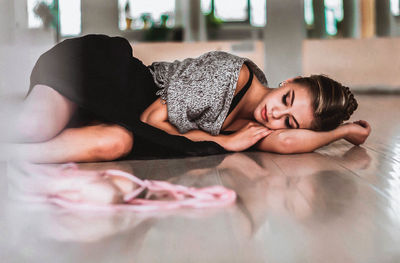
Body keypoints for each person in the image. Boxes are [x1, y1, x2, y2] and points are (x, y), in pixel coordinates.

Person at [4, 34, 370, 163]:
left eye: (288, 119)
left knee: (114, 142)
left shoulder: (259, 125)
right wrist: (223, 141)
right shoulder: (234, 74)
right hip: (109, 72)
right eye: (287, 98)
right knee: (34, 127)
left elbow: (289, 140)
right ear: (288, 80)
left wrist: (344, 132)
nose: (275, 114)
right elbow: (151, 122)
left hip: (125, 119)